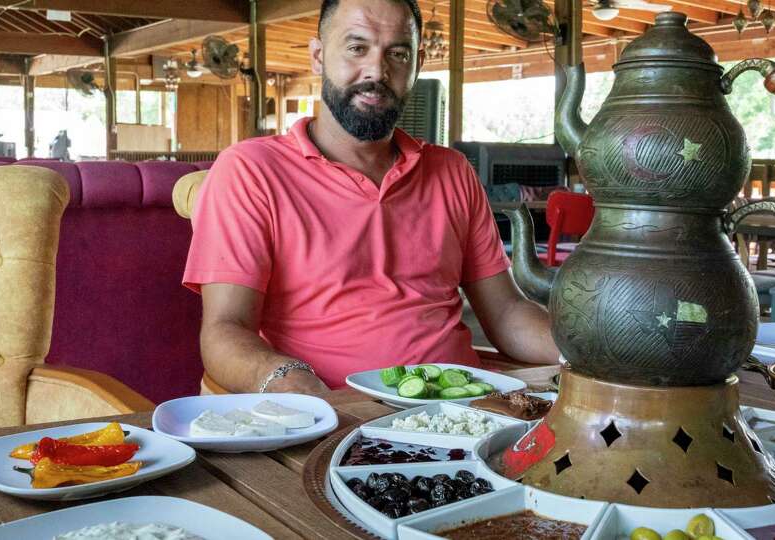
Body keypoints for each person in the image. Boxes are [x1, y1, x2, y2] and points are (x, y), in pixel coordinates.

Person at [183, 0, 559, 395]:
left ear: (417, 63)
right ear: (318, 56)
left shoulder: (452, 171)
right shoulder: (251, 170)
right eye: (356, 47)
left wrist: (589, 355)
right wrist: (284, 379)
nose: (377, 72)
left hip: (465, 411)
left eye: (397, 53)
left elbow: (506, 312)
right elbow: (225, 330)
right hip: (335, 418)